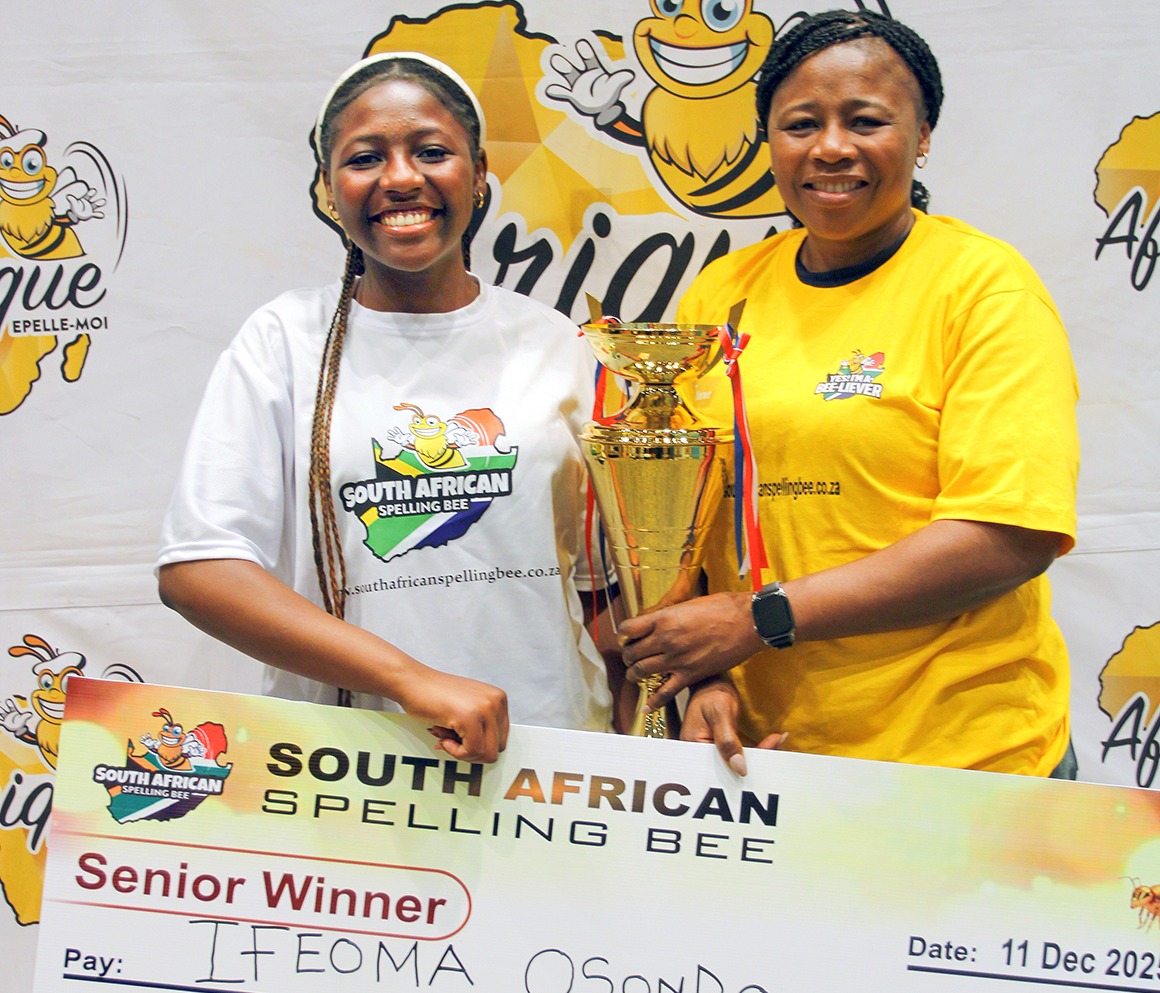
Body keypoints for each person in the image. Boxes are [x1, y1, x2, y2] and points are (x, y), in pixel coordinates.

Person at [618, 10, 1080, 779]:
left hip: (967, 762)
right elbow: (689, 523)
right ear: (770, 139)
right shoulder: (721, 293)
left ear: (922, 135)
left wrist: (757, 619)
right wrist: (707, 674)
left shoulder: (983, 289)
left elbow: (1010, 534)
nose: (831, 147)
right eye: (801, 124)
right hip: (769, 757)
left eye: (865, 121)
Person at [157, 52, 627, 763]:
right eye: (365, 157)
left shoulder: (557, 344)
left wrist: (658, 715)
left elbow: (602, 590)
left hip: (545, 750)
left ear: (479, 174)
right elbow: (199, 569)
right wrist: (409, 679)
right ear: (328, 189)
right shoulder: (284, 341)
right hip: (352, 763)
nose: (401, 177)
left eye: (432, 152)